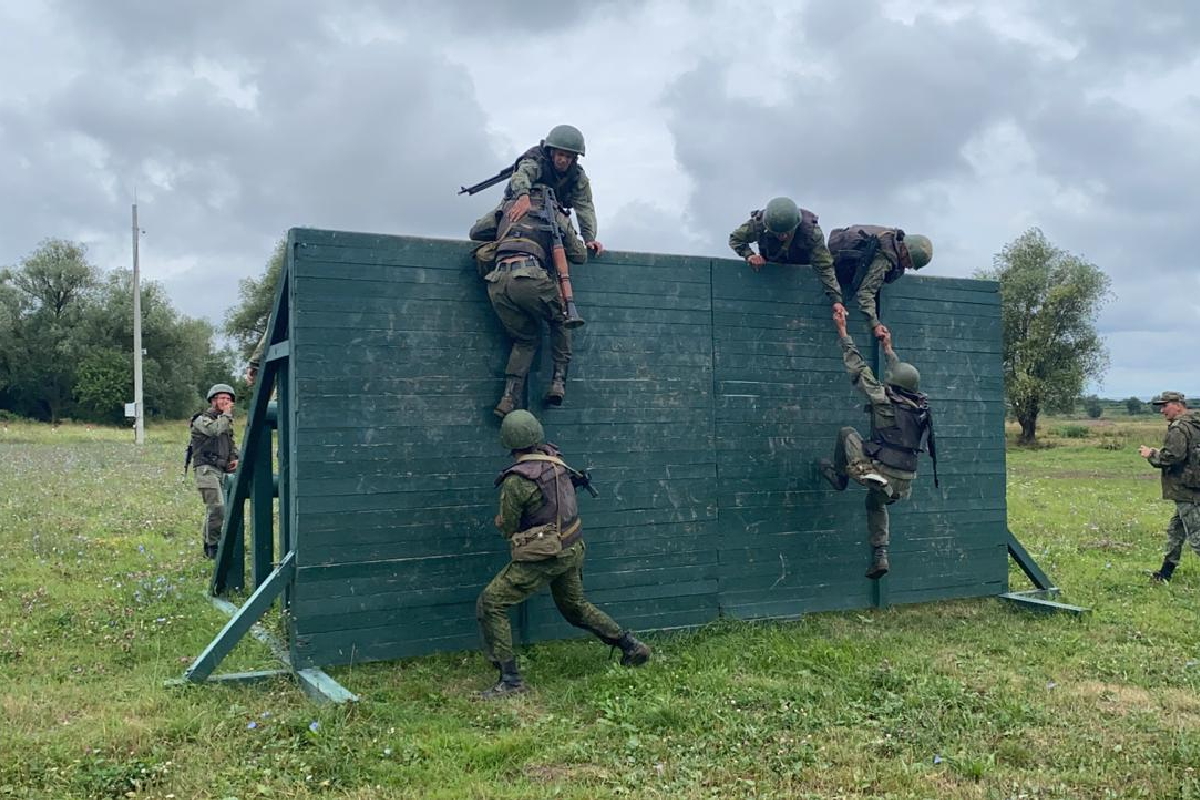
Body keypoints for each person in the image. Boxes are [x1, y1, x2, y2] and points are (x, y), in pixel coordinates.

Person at [475, 410, 651, 698]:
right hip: (573, 547)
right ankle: (631, 646)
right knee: (575, 607)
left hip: (547, 555)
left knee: (491, 603)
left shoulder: (517, 480)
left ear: (508, 442)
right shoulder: (556, 461)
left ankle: (510, 681)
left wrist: (501, 522)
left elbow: (508, 528)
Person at [816, 307, 937, 579]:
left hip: (880, 472)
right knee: (875, 502)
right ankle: (880, 553)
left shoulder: (883, 398)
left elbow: (858, 368)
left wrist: (843, 332)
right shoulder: (920, 405)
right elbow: (901, 374)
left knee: (847, 433)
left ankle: (838, 478)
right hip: (904, 482)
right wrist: (888, 347)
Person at [481, 191, 588, 416]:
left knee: (525, 339)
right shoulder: (554, 211)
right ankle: (558, 381)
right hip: (528, 276)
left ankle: (508, 398)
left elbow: (477, 231)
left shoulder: (508, 208)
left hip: (496, 282)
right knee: (563, 317)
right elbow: (579, 255)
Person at [469, 124, 604, 257]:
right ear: (552, 152)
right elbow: (522, 175)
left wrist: (589, 238)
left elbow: (585, 205)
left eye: (568, 157)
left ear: (574, 158)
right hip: (519, 207)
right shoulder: (536, 160)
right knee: (478, 231)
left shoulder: (577, 176)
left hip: (553, 216)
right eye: (560, 154)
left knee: (573, 249)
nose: (563, 160)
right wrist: (523, 196)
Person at [728, 197, 844, 316]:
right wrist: (749, 255)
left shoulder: (811, 232)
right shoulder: (758, 225)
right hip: (770, 277)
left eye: (787, 232)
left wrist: (836, 300)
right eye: (778, 233)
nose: (783, 237)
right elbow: (735, 239)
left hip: (801, 277)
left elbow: (824, 266)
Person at [826, 225, 933, 339]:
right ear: (905, 253)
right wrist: (875, 325)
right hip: (838, 264)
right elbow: (865, 293)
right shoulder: (885, 259)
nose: (908, 267)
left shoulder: (891, 237)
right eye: (909, 263)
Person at [1139, 392, 1200, 582]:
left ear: (1178, 405)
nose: (1162, 410)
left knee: (1197, 537)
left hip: (1186, 490)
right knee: (1176, 530)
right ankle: (1165, 573)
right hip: (1193, 487)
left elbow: (1171, 457)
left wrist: (1151, 453)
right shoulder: (1195, 423)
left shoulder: (1179, 428)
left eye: (1165, 405)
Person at [190, 384, 239, 559]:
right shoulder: (201, 420)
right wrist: (226, 415)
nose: (226, 402)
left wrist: (234, 458)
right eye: (222, 398)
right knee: (217, 507)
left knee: (216, 510)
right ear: (213, 400)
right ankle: (212, 547)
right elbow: (214, 430)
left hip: (221, 470)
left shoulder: (226, 423)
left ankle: (210, 544)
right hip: (205, 469)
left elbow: (230, 444)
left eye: (228, 399)